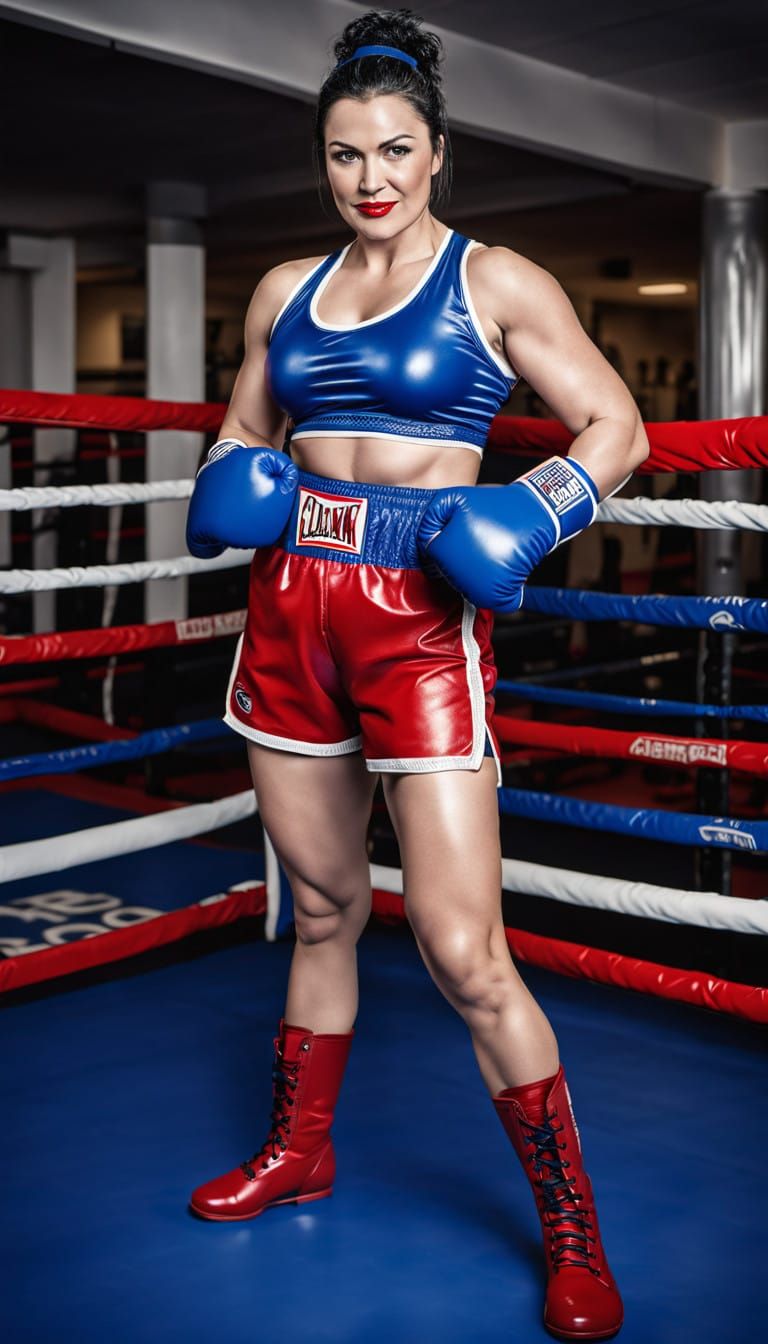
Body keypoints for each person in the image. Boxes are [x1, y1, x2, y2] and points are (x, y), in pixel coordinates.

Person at [185, 10, 649, 1340]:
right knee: (323, 906)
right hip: (291, 617)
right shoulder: (284, 291)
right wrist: (233, 481)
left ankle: (573, 1233)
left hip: (419, 617)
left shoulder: (495, 280)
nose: (370, 178)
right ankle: (301, 1150)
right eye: (345, 156)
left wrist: (535, 506)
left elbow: (616, 421)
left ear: (437, 153)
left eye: (394, 150)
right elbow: (241, 429)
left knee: (463, 950)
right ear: (322, 162)